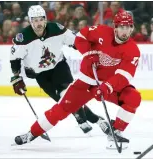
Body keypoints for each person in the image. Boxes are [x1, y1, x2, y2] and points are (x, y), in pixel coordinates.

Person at [14, 11, 141, 148]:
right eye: (122, 27)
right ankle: (32, 133)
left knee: (133, 98)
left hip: (107, 86)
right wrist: (88, 53)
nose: (125, 31)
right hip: (86, 82)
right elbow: (80, 37)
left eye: (128, 27)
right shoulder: (100, 31)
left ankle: (115, 131)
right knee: (61, 109)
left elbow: (124, 75)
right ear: (115, 27)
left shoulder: (133, 50)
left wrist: (107, 86)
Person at [10, 5, 110, 135]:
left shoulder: (55, 28)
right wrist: (16, 77)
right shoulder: (23, 37)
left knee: (68, 94)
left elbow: (75, 41)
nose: (38, 23)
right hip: (40, 74)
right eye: (35, 20)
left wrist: (90, 51)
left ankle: (85, 119)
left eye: (41, 19)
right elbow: (15, 58)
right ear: (30, 21)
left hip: (59, 66)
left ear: (45, 19)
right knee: (63, 102)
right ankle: (95, 119)